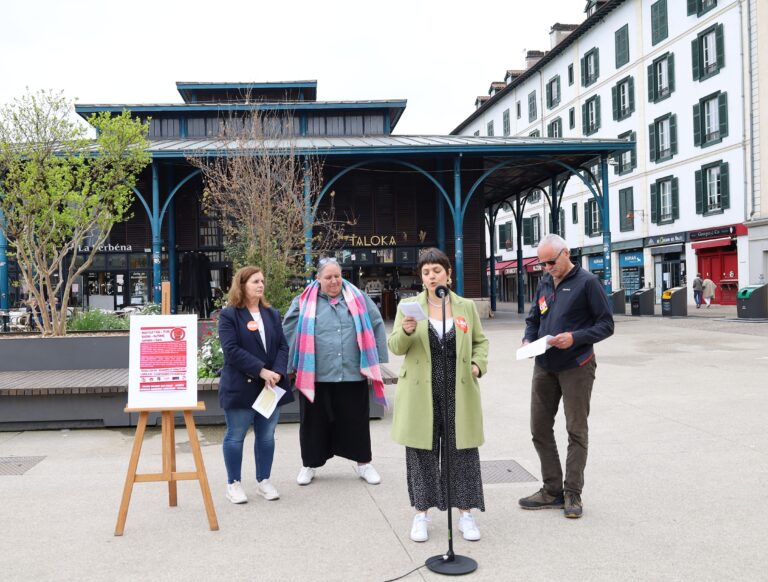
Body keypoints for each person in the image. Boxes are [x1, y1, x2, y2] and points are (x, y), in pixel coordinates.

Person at [388, 248, 489, 543]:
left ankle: (465, 513)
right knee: (422, 453)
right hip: (421, 392)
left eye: (436, 270)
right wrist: (406, 332)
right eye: (426, 272)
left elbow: (480, 343)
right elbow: (395, 347)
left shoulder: (465, 307)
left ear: (448, 273)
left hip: (458, 389)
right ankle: (422, 514)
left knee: (462, 452)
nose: (431, 276)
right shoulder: (408, 306)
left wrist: (477, 365)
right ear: (421, 277)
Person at [519, 234, 614, 519]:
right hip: (545, 364)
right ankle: (551, 489)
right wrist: (528, 339)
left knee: (576, 429)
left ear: (566, 253)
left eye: (551, 261)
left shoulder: (587, 283)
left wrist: (575, 338)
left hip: (577, 365)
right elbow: (534, 318)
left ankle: (572, 493)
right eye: (542, 263)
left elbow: (606, 325)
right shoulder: (545, 282)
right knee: (539, 428)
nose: (547, 267)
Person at [283, 257, 388, 486]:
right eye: (328, 277)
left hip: (351, 371)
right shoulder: (303, 301)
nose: (334, 281)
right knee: (313, 422)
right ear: (318, 278)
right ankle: (309, 464)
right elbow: (289, 330)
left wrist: (377, 359)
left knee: (356, 420)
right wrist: (289, 365)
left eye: (337, 276)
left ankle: (364, 464)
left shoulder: (358, 298)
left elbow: (376, 322)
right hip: (316, 374)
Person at [218, 266, 294, 504]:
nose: (260, 285)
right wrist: (261, 370)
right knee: (236, 436)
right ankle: (234, 484)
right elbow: (231, 350)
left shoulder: (271, 314)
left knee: (266, 436)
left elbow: (283, 346)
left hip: (270, 387)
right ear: (242, 285)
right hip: (241, 385)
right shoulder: (229, 315)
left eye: (262, 281)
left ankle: (263, 481)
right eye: (255, 281)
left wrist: (278, 373)